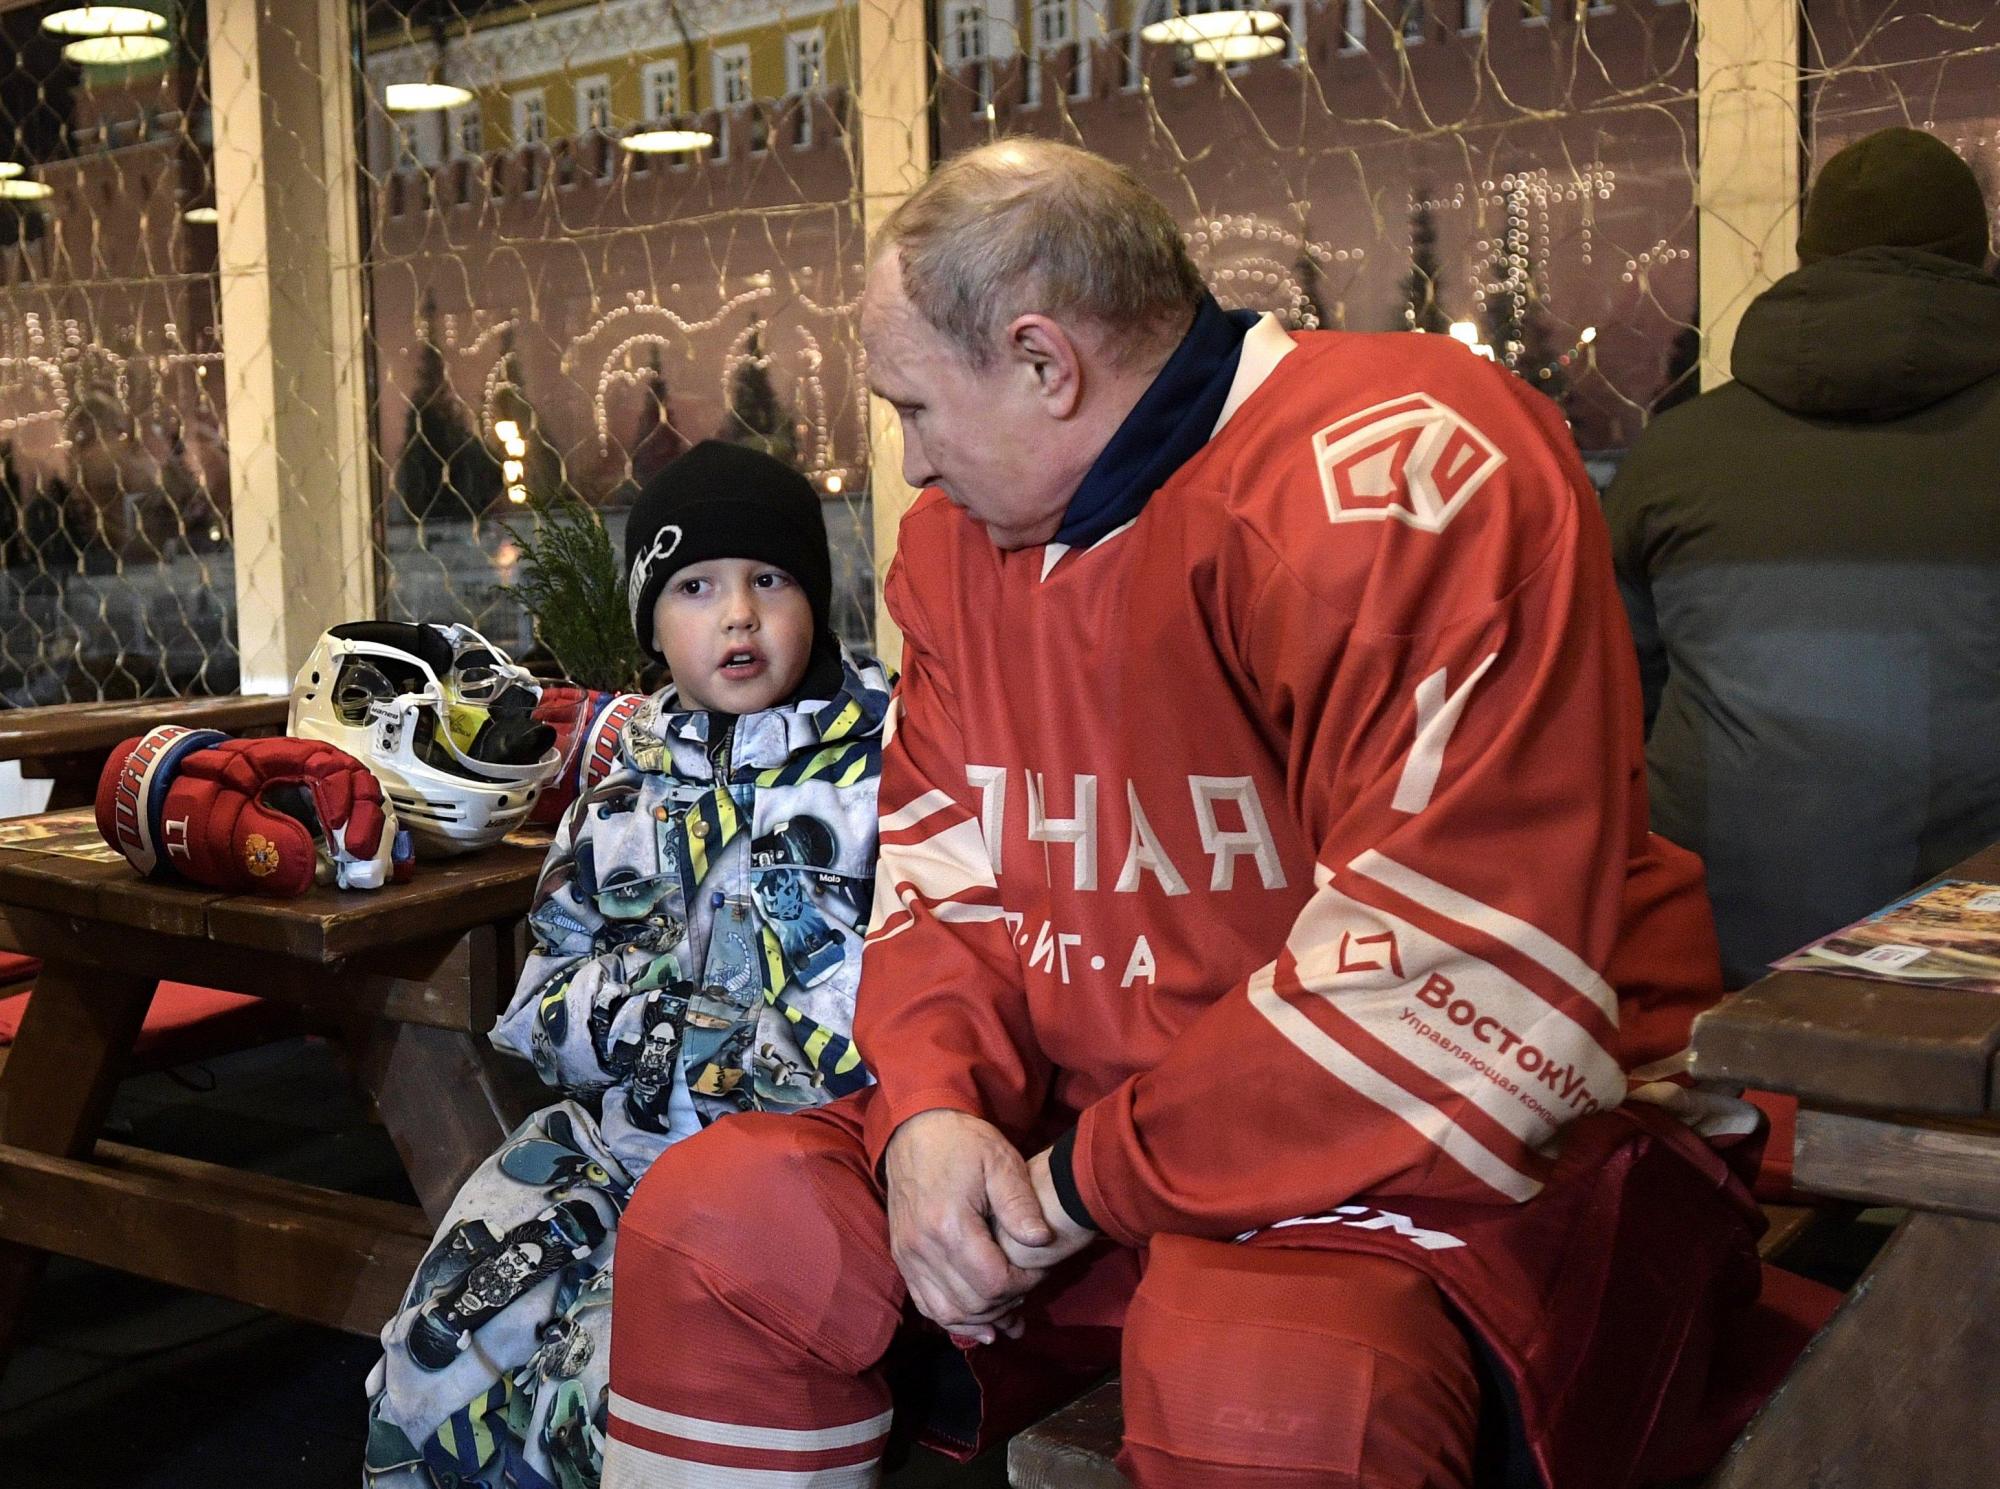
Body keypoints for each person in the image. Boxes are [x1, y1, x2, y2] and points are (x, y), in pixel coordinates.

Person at [601, 141, 1764, 1489]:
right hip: (1100, 1133)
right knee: (721, 1223)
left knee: (1270, 1384)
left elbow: (1444, 988)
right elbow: (944, 874)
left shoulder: (1409, 471)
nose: (911, 464)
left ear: (1045, 363)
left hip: (1440, 1138)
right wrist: (929, 1115)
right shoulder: (958, 549)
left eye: (915, 407)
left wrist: (1076, 1183)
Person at [364, 440, 893, 1489]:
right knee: (431, 1359)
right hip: (609, 1148)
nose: (736, 614)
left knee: (601, 1391)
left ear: (817, 601)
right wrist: (665, 1026)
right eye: (695, 586)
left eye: (768, 579)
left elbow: (882, 1021)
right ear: (653, 620)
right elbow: (538, 1004)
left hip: (777, 1182)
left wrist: (703, 1038)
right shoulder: (618, 792)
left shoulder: (886, 782)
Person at [1606, 127, 2000, 989]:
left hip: (1714, 963)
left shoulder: (1677, 454)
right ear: (1976, 256)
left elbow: (1610, 716)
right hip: (1969, 980)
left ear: (1809, 254)